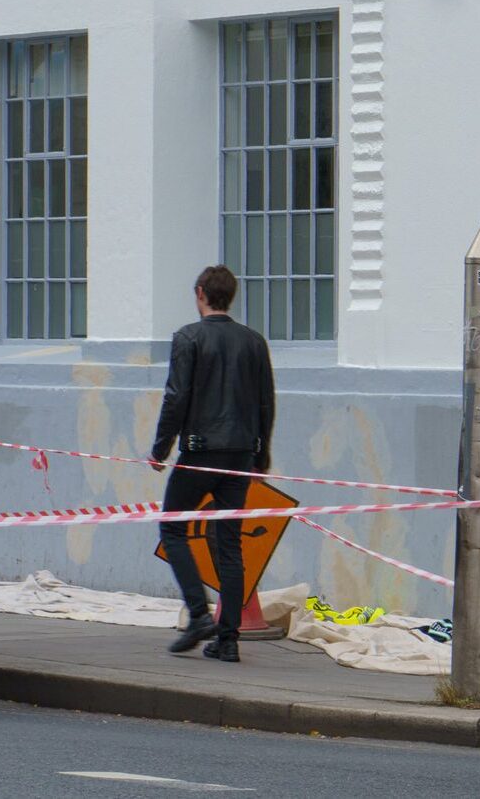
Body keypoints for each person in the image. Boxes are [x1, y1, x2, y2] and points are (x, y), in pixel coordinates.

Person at [153, 265, 275, 663]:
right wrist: (261, 455)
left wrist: (160, 449)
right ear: (231, 295)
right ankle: (229, 639)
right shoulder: (254, 342)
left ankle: (199, 613)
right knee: (230, 544)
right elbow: (265, 402)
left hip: (199, 451)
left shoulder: (188, 337)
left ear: (201, 292)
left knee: (173, 528)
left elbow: (177, 397)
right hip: (239, 454)